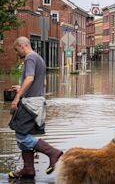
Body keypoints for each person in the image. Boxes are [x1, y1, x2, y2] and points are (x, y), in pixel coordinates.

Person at [8, 36, 63, 180]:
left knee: (21, 135)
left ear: (22, 45)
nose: (17, 54)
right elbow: (42, 82)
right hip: (37, 101)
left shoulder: (30, 58)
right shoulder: (39, 58)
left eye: (16, 50)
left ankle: (53, 153)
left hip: (30, 104)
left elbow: (30, 78)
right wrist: (22, 88)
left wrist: (18, 96)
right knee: (24, 133)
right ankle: (28, 169)